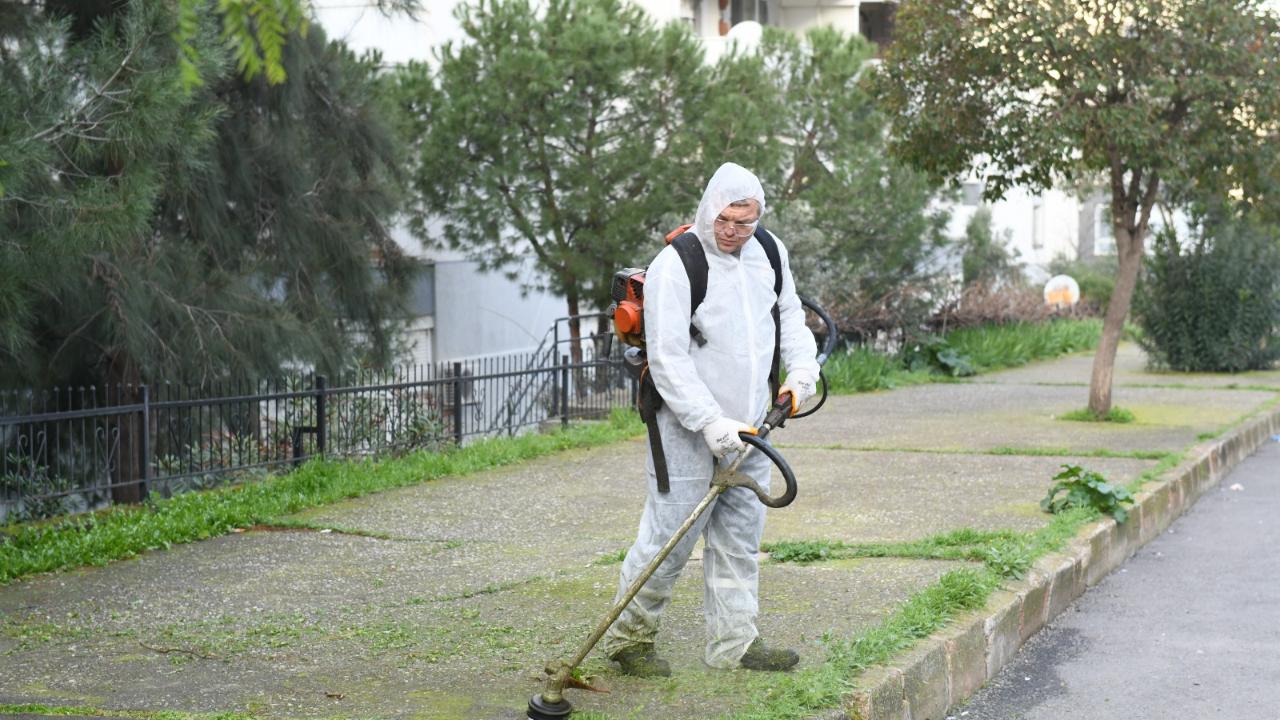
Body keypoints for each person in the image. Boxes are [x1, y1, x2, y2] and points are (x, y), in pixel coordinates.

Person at [599, 162, 820, 675]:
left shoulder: (769, 252)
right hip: (685, 425)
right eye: (726, 220)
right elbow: (669, 357)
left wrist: (802, 371)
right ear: (709, 209)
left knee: (739, 537)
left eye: (745, 223)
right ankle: (627, 640)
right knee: (670, 536)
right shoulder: (677, 265)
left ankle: (735, 643)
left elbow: (789, 317)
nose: (734, 233)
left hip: (752, 423)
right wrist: (708, 422)